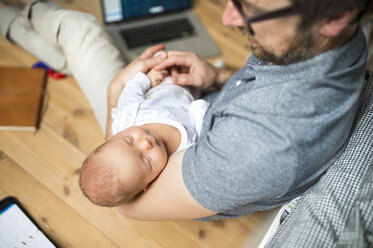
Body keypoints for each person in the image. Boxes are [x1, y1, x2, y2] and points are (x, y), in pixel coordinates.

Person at [0, 0, 371, 221]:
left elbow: (127, 203)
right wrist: (216, 77)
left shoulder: (257, 151)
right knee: (78, 43)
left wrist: (117, 99)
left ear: (336, 15)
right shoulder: (341, 41)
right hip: (156, 114)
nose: (228, 18)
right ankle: (20, 27)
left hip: (126, 140)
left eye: (249, 8)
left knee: (79, 29)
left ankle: (11, 20)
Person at [80, 68, 209, 207]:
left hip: (165, 81)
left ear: (114, 135)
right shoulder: (180, 155)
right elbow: (202, 134)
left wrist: (146, 79)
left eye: (130, 140)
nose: (145, 144)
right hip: (195, 93)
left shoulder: (127, 118)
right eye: (147, 160)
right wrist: (200, 112)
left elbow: (130, 92)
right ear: (148, 184)